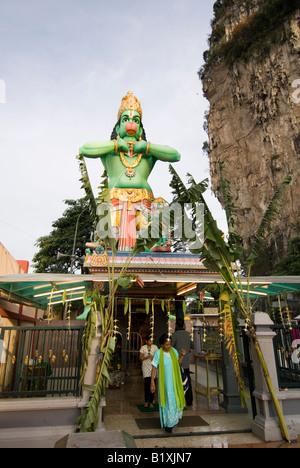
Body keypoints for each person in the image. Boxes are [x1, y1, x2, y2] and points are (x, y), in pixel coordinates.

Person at [79, 91, 181, 251]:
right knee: (111, 235)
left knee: (158, 215)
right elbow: (84, 149)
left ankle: (158, 247)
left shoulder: (148, 154)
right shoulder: (110, 151)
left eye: (136, 120)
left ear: (140, 130)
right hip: (115, 203)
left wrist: (147, 146)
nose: (131, 123)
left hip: (144, 204)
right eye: (126, 119)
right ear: (118, 128)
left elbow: (175, 155)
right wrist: (115, 145)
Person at [150, 334, 186, 433]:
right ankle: (168, 423)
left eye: (169, 344)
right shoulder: (158, 353)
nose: (168, 346)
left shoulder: (174, 351)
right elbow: (154, 367)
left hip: (175, 381)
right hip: (165, 382)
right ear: (162, 345)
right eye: (166, 344)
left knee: (174, 400)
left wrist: (182, 355)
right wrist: (152, 381)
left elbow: (178, 363)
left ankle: (173, 421)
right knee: (168, 400)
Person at [171, 317, 194, 406]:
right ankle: (189, 400)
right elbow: (192, 345)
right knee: (187, 380)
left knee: (177, 381)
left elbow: (170, 347)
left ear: (176, 326)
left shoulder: (174, 335)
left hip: (177, 362)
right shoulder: (188, 334)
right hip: (186, 362)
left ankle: (178, 399)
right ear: (184, 325)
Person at [139, 335, 158, 408]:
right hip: (146, 366)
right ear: (146, 341)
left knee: (153, 383)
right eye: (150, 340)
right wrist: (146, 357)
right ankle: (146, 401)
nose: (151, 342)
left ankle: (151, 401)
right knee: (147, 384)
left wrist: (153, 358)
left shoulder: (155, 347)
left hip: (153, 366)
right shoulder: (143, 348)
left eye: (152, 340)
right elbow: (140, 358)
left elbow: (158, 356)